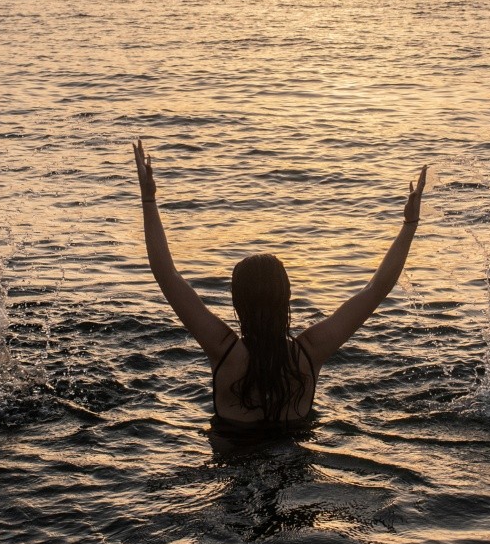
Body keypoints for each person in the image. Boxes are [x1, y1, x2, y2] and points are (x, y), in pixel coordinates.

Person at [133, 138, 427, 432]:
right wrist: (409, 225)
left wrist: (148, 200)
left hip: (234, 464)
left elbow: (167, 276)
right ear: (287, 297)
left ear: (237, 302)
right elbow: (376, 289)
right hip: (295, 468)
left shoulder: (224, 351)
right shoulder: (309, 352)